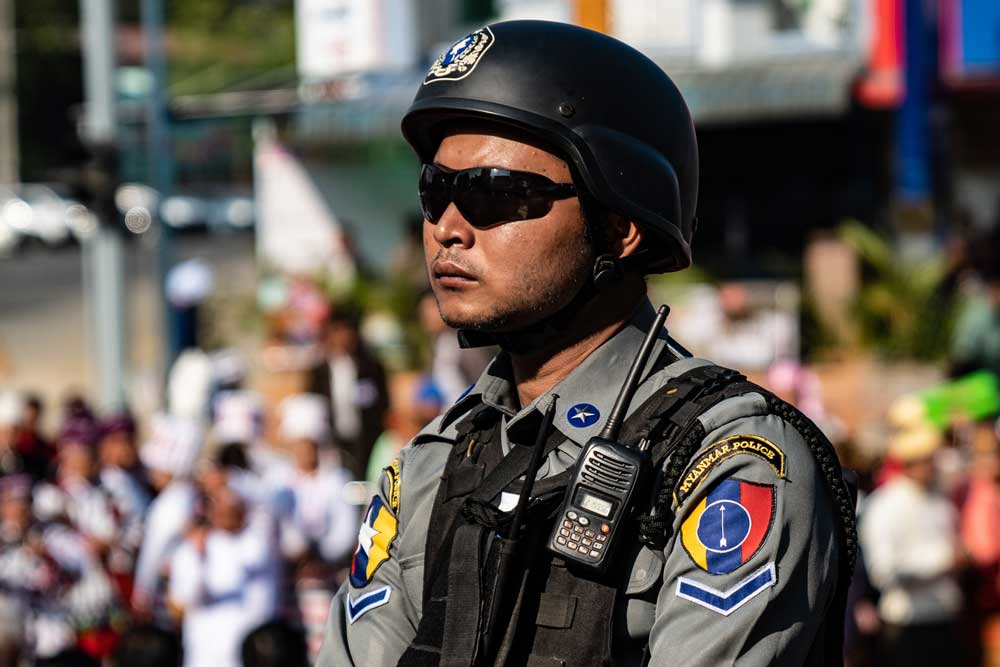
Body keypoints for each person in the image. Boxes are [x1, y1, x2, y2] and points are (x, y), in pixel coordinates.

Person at [317, 20, 855, 666]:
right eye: (437, 191)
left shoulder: (728, 464)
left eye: (495, 192)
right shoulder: (430, 467)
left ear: (621, 226)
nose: (448, 228)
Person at [860, 427, 964, 666]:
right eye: (926, 461)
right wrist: (943, 561)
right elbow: (884, 570)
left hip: (945, 619)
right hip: (907, 624)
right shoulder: (885, 505)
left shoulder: (940, 501)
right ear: (909, 464)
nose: (932, 467)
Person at [167, 485, 281, 667]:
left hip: (251, 652)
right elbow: (182, 601)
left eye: (232, 503)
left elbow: (269, 503)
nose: (226, 510)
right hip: (205, 654)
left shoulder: (259, 544)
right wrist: (199, 558)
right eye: (219, 504)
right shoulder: (191, 549)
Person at [306, 307, 389, 480]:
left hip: (366, 440)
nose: (343, 337)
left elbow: (383, 404)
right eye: (338, 331)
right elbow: (313, 404)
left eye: (347, 331)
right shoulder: (320, 371)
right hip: (333, 442)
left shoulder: (371, 368)